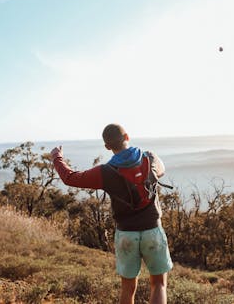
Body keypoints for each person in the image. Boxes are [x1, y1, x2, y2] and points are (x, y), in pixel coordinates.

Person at [51, 123, 173, 304]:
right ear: (127, 137)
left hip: (126, 235)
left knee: (128, 288)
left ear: (107, 147)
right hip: (152, 231)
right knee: (159, 285)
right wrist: (149, 173)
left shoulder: (105, 172)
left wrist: (56, 157)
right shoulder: (149, 158)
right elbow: (160, 168)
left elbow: (70, 178)